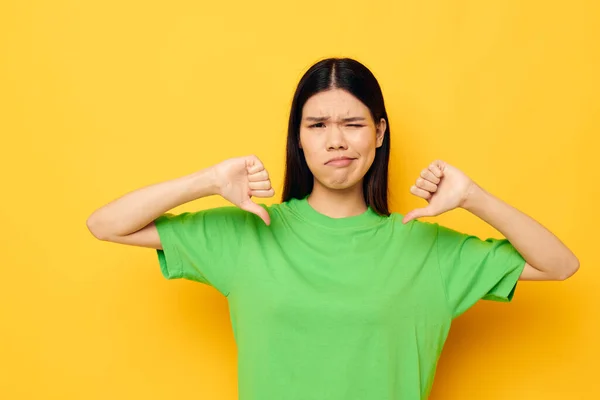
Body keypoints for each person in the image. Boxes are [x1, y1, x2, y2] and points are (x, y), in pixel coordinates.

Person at [86, 57, 579, 400]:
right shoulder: (250, 233)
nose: (336, 141)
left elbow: (560, 265)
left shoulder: (425, 245)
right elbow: (106, 225)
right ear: (298, 139)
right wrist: (209, 180)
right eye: (317, 125)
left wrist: (474, 197)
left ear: (380, 133)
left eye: (354, 124)